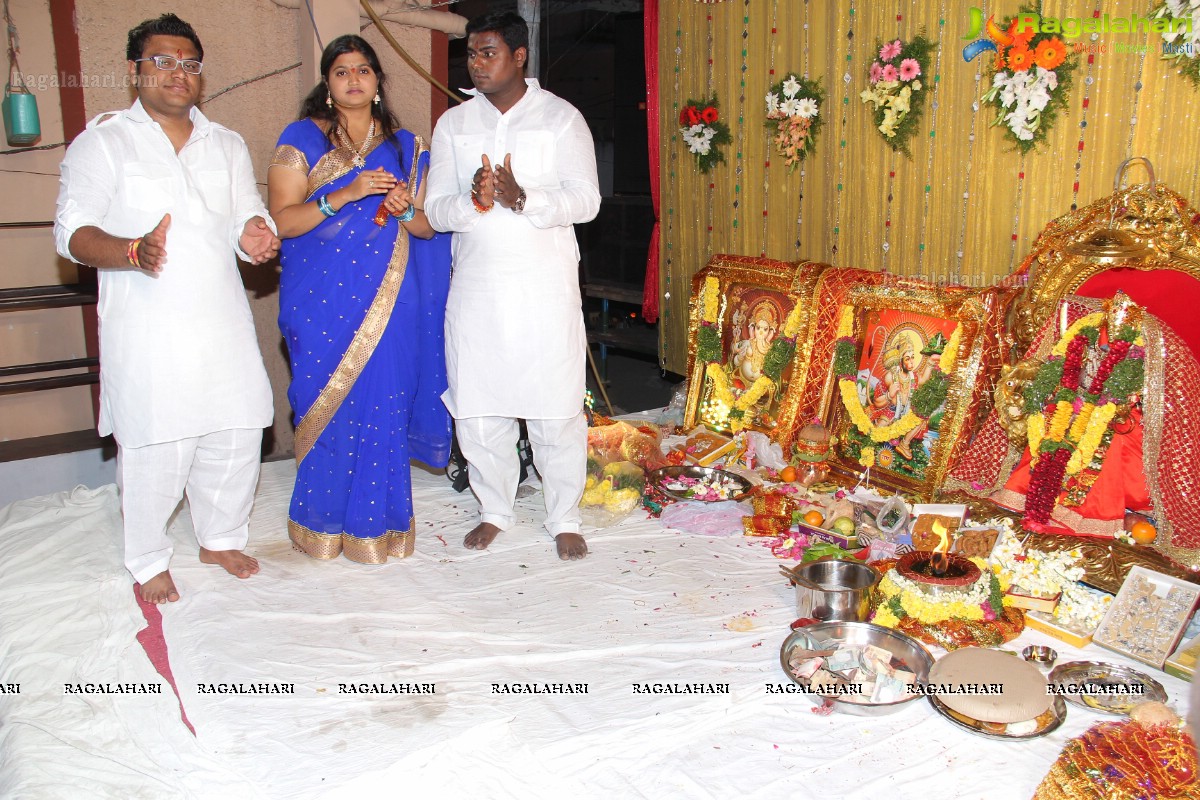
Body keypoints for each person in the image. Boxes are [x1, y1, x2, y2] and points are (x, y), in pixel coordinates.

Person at [53, 14, 278, 604]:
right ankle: (147, 555)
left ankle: (220, 536)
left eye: (189, 63)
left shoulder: (224, 143)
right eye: (162, 60)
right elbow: (72, 233)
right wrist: (130, 249)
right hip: (149, 327)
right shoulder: (104, 142)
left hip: (221, 319)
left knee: (237, 428)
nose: (177, 73)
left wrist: (256, 233)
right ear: (134, 71)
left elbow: (247, 213)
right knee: (156, 443)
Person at [267, 35, 452, 564]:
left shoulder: (404, 146)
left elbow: (423, 229)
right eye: (342, 70)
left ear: (377, 83)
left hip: (391, 301)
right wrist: (346, 194)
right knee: (328, 400)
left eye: (364, 70)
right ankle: (320, 523)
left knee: (383, 402)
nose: (353, 78)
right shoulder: (301, 138)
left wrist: (399, 206)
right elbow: (283, 221)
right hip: (322, 302)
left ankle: (379, 526)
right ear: (327, 85)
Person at [425, 11, 601, 561]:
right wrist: (474, 201)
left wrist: (525, 198)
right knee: (479, 406)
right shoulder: (455, 124)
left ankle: (563, 515)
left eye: (488, 53)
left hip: (544, 289)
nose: (476, 64)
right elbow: (434, 209)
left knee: (555, 405)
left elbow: (587, 200)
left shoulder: (560, 119)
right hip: (477, 288)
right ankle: (495, 509)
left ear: (519, 56)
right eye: (471, 55)